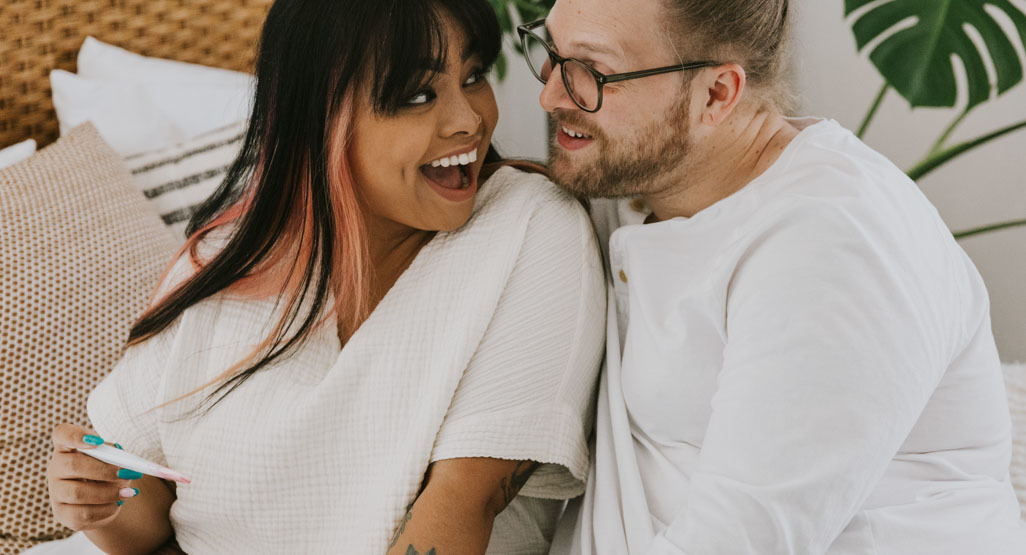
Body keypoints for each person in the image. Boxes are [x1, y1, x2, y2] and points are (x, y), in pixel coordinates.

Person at [43, 0, 605, 553]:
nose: (470, 120)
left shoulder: (528, 227)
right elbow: (149, 517)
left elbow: (462, 507)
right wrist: (94, 497)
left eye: (474, 75)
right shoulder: (222, 260)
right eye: (417, 95)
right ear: (321, 117)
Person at [515, 0, 1026, 553]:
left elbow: (739, 542)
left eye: (592, 71)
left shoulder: (834, 246)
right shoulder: (643, 182)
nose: (551, 95)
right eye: (552, 53)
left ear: (717, 94)